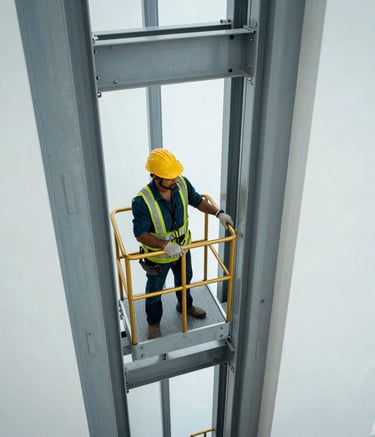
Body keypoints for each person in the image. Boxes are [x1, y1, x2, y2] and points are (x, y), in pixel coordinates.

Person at [132, 148, 234, 339]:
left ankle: (185, 306)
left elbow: (197, 201)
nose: (175, 180)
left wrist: (218, 213)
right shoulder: (142, 201)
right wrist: (165, 245)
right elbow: (140, 234)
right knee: (154, 291)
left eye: (176, 175)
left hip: (183, 250)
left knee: (185, 280)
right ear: (155, 177)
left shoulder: (181, 184)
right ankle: (153, 323)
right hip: (158, 257)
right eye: (170, 178)